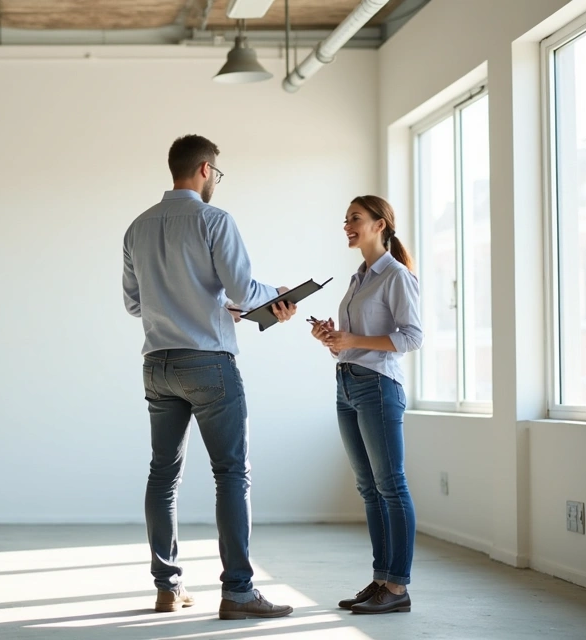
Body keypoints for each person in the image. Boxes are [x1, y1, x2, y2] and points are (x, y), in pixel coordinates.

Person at [122, 134, 295, 620]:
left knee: (163, 476)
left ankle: (167, 587)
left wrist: (210, 308)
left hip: (157, 364)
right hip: (209, 365)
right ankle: (238, 593)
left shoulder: (137, 227)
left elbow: (135, 303)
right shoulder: (214, 219)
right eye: (215, 173)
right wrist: (276, 295)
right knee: (232, 474)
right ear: (203, 169)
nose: (214, 181)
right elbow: (243, 287)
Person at [309, 195, 422, 615]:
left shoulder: (395, 276)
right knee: (369, 489)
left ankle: (397, 587)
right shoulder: (359, 277)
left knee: (391, 485)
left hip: (378, 386)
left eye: (355, 219)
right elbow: (355, 342)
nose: (347, 225)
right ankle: (380, 580)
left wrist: (353, 341)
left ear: (380, 225)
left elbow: (411, 337)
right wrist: (334, 339)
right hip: (347, 383)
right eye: (345, 219)